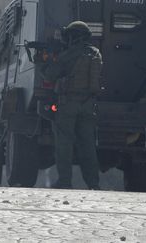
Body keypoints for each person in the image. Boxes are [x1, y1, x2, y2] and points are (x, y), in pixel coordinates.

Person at [42, 21, 103, 190]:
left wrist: (43, 61)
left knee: (64, 143)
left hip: (68, 103)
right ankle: (93, 183)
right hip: (88, 104)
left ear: (75, 36)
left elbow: (49, 76)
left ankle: (65, 181)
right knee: (88, 145)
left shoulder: (70, 54)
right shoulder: (96, 53)